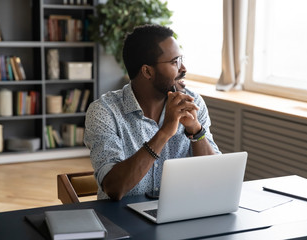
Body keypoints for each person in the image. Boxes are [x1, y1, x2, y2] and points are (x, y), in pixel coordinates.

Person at [84, 24, 220, 201]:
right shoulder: (104, 111)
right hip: (121, 220)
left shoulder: (193, 102)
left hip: (180, 214)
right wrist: (164, 132)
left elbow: (216, 178)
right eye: (174, 62)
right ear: (147, 71)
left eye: (181, 59)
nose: (184, 68)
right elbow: (114, 188)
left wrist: (196, 131)